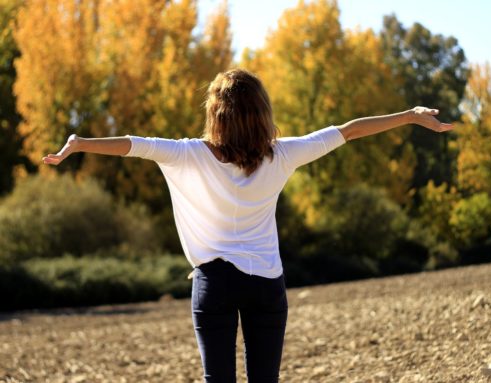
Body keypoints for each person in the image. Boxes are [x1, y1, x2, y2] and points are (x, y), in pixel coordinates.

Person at [42, 68, 453, 382]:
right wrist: (410, 116)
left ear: (215, 114)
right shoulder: (284, 154)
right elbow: (349, 131)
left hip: (215, 284)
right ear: (262, 113)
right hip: (267, 284)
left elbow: (133, 144)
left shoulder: (189, 155)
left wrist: (80, 144)